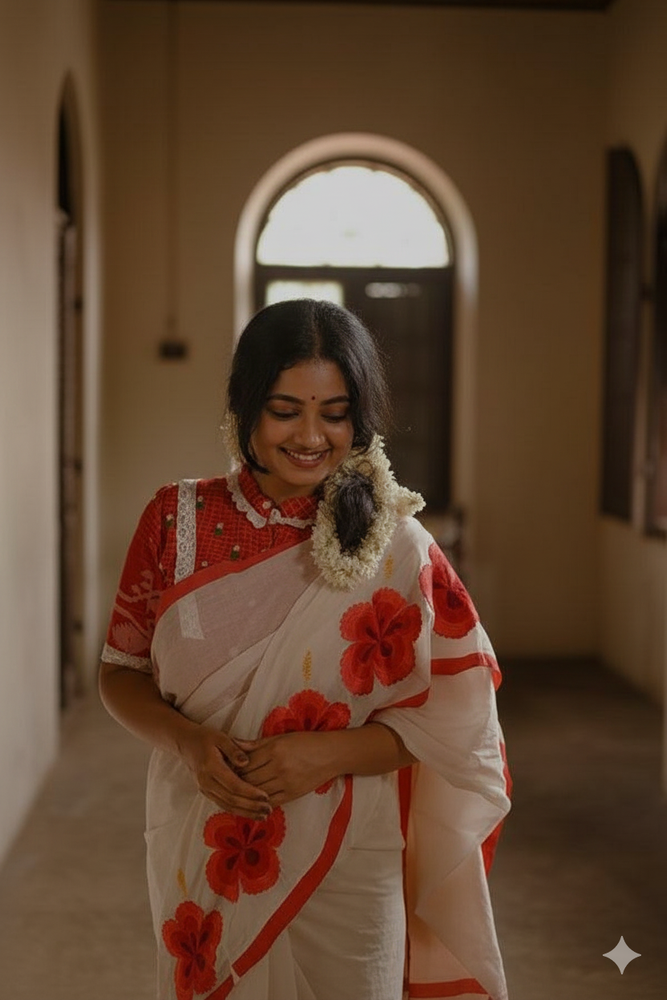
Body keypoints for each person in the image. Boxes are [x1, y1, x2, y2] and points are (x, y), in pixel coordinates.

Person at [99, 298, 511, 1000]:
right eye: (285, 410)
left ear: (360, 419)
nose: (311, 436)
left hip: (351, 848)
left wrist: (326, 754)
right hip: (206, 833)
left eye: (334, 411)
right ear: (245, 406)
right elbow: (120, 673)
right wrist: (190, 744)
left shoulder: (397, 544)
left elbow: (456, 720)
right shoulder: (178, 519)